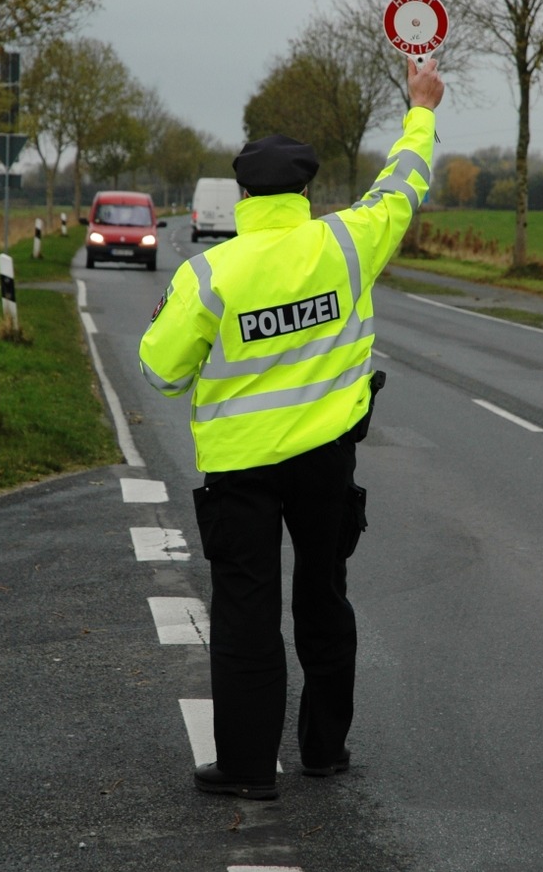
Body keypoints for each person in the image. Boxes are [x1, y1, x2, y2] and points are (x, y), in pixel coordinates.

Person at [138, 57, 445, 800]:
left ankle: (246, 768)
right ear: (306, 191)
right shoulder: (347, 242)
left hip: (241, 472)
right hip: (325, 461)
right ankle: (324, 751)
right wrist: (422, 107)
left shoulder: (210, 276)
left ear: (242, 194)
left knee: (247, 613)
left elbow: (161, 372)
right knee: (324, 597)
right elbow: (403, 182)